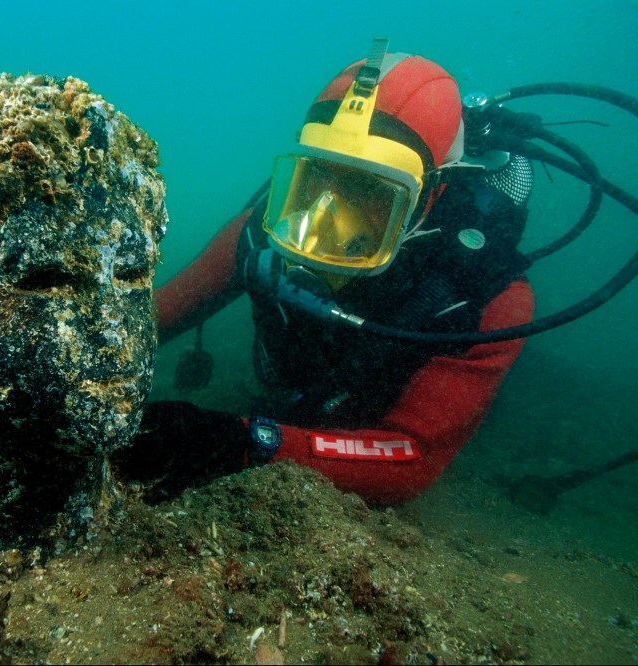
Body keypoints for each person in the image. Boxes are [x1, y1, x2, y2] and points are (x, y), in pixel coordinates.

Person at [117, 40, 535, 505]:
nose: (320, 222)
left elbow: (412, 459)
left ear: (429, 196)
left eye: (368, 191)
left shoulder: (486, 297)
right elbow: (148, 323)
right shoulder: (262, 232)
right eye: (316, 178)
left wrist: (243, 441)